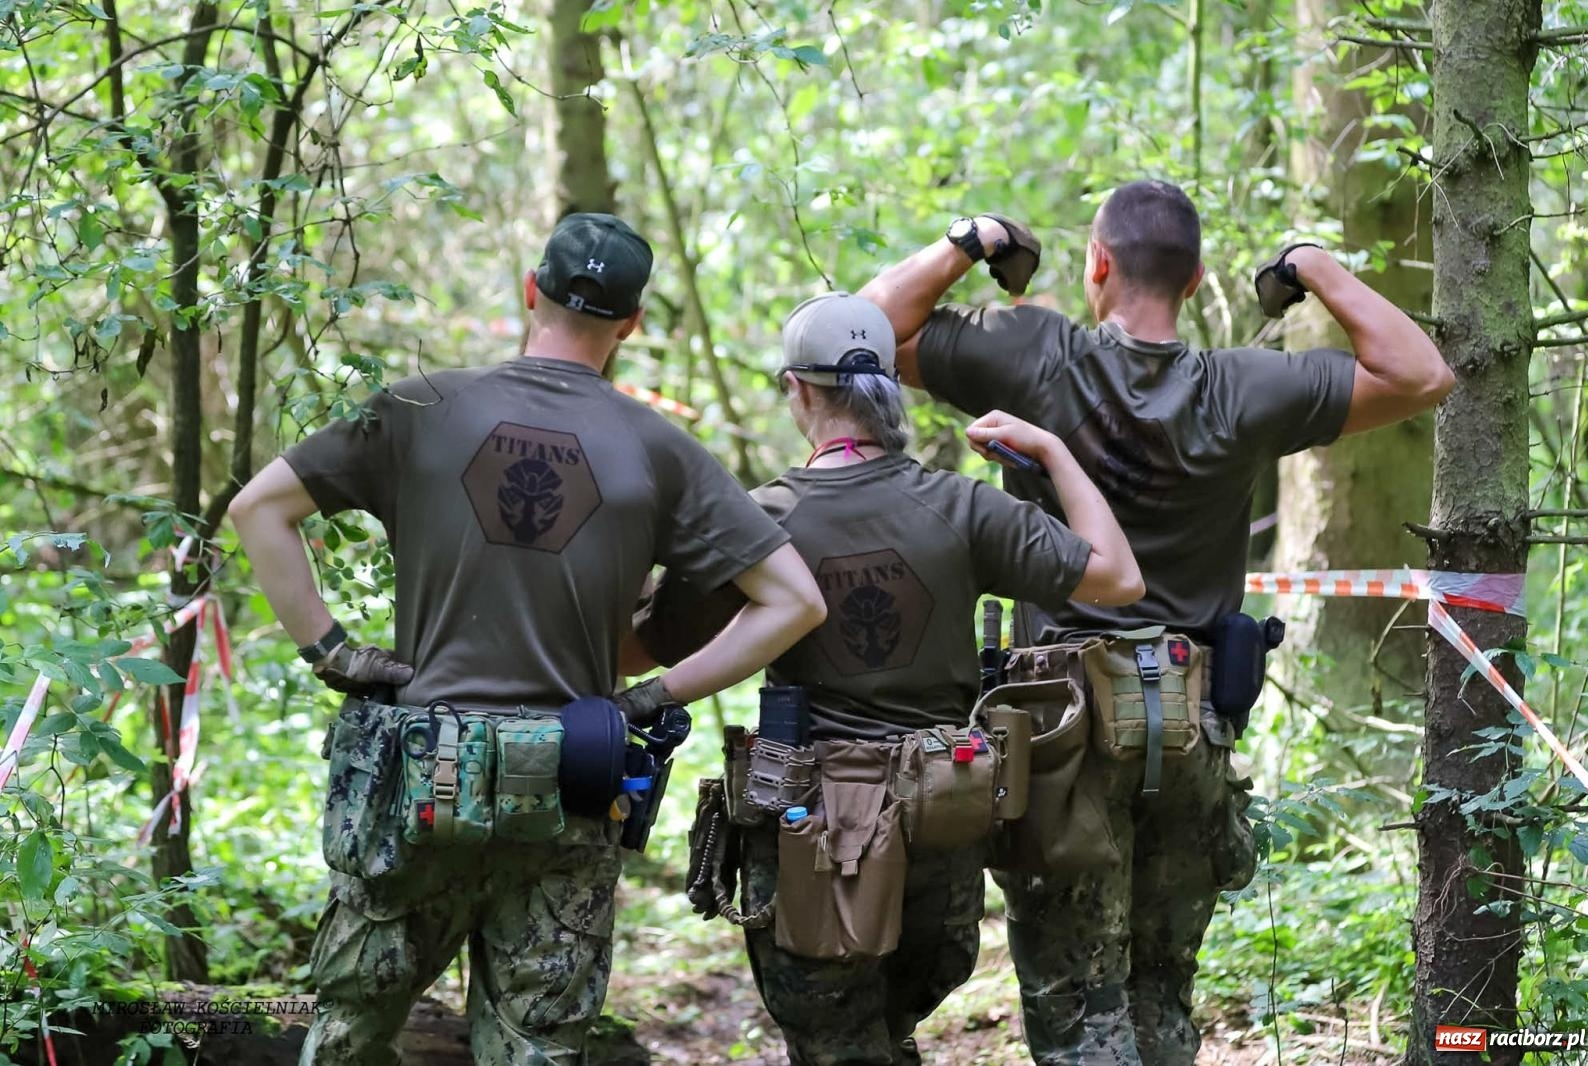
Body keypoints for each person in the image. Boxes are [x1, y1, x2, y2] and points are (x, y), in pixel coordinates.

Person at [858, 186, 1454, 1065]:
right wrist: (1311, 267)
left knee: (1076, 1011)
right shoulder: (1242, 388)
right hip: (1189, 722)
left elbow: (861, 332)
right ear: (1197, 276)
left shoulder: (1034, 353)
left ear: (1098, 263)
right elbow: (1422, 374)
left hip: (1059, 733)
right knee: (1162, 996)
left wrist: (970, 240)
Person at [228, 212, 826, 1066]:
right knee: (534, 1047)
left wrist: (331, 649)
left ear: (530, 290)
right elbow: (793, 601)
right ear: (632, 325)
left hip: (418, 777)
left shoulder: (420, 406)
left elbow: (259, 510)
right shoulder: (659, 450)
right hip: (568, 787)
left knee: (350, 1032)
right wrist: (654, 695)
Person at [631, 291, 1144, 1066]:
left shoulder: (759, 519)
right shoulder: (963, 507)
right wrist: (1055, 454)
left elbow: (647, 645)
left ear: (796, 389)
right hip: (944, 819)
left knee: (834, 1038)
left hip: (813, 830)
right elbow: (1118, 578)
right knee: (892, 1020)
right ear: (889, 393)